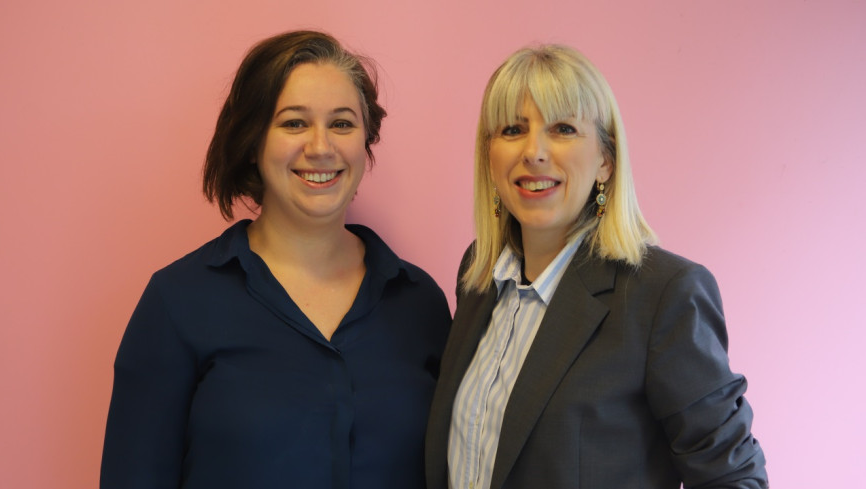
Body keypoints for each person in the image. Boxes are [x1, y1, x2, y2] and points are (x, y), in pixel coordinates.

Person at [101, 30, 451, 489]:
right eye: (294, 123)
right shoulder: (177, 303)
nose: (321, 147)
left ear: (366, 141)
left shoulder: (420, 303)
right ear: (252, 142)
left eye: (342, 124)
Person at [425, 45, 768, 489]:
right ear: (490, 157)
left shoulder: (664, 295)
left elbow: (735, 478)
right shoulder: (479, 273)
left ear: (605, 160)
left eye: (563, 129)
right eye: (513, 129)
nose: (534, 151)